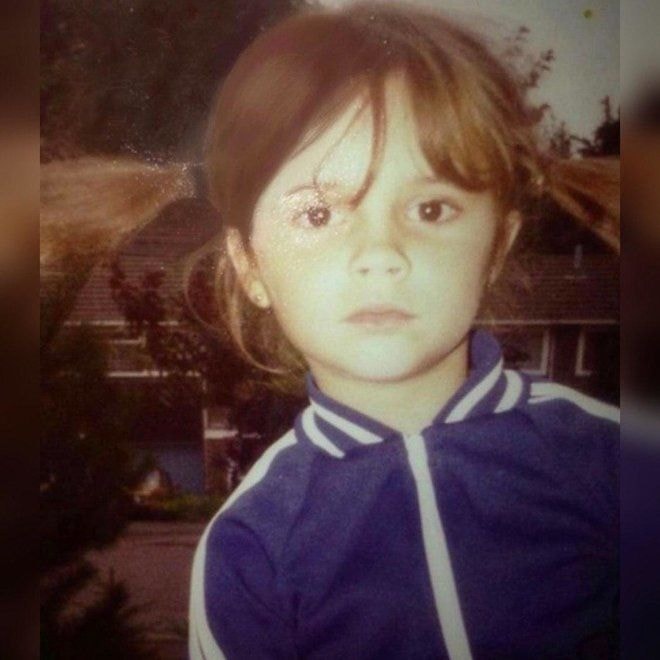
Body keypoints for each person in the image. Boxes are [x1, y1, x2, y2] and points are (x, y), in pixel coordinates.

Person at [188, 3, 619, 658]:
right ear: (250, 266)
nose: (380, 253)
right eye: (318, 214)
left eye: (431, 208)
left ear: (497, 247)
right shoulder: (250, 545)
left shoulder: (608, 461)